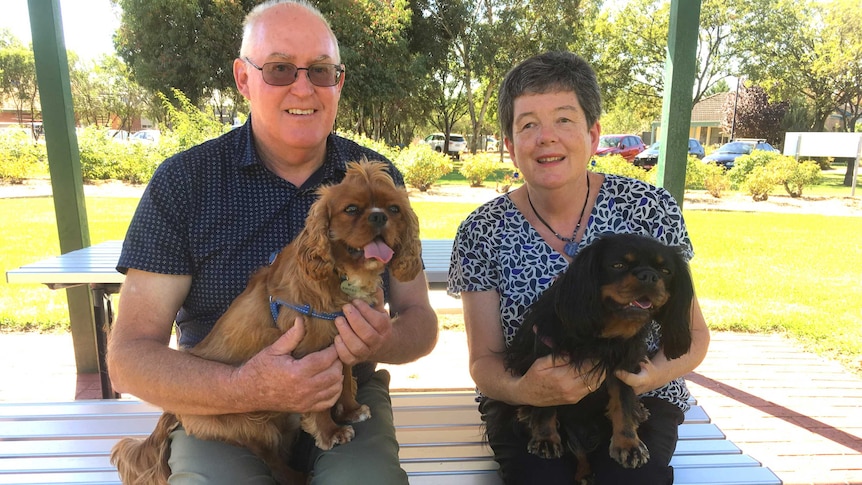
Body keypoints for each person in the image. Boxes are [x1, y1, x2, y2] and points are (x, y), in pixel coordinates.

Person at [106, 1, 438, 483]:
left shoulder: (378, 181)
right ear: (244, 78)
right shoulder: (185, 181)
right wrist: (247, 387)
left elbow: (421, 322)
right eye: (280, 69)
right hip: (224, 410)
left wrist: (381, 340)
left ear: (338, 82)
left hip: (346, 392)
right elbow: (129, 358)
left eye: (321, 71)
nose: (303, 87)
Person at [447, 51, 710, 484]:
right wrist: (524, 390)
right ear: (511, 147)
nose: (546, 137)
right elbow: (484, 363)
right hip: (529, 401)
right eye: (528, 124)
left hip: (638, 394)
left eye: (564, 120)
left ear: (593, 134)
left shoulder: (649, 208)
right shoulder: (483, 229)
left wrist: (648, 375)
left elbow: (694, 337)